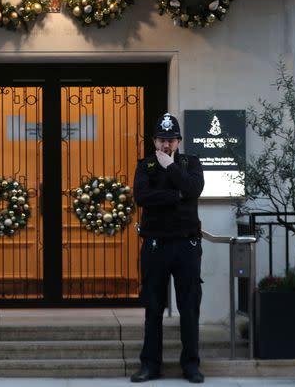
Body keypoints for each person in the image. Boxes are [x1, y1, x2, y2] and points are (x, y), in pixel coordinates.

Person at [130, 112, 206, 384]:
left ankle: (191, 365)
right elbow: (142, 197)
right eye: (162, 140)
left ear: (179, 141)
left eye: (171, 140)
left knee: (189, 307)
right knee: (153, 307)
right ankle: (150, 365)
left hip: (186, 245)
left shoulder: (191, 163)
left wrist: (172, 169)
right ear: (154, 141)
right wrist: (176, 195)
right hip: (155, 245)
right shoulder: (146, 166)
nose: (166, 146)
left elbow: (193, 189)